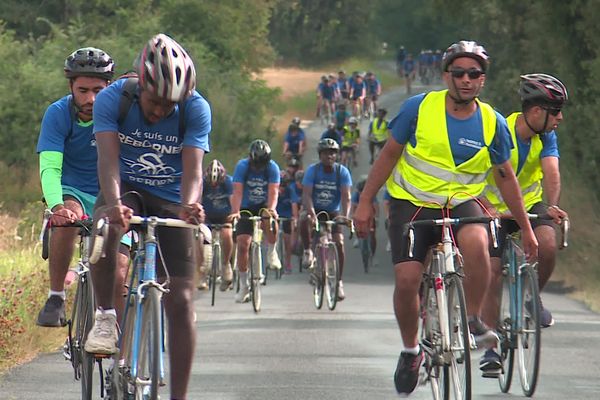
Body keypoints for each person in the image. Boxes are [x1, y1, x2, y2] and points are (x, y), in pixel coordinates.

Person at [353, 40, 538, 396]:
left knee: (478, 243)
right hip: (414, 201)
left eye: (474, 74)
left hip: (463, 201)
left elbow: (505, 177)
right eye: (459, 73)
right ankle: (410, 351)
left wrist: (527, 229)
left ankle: (472, 319)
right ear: (445, 76)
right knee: (407, 280)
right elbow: (389, 155)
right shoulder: (418, 109)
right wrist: (365, 202)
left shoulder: (492, 121)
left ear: (482, 80)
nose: (466, 80)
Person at [84, 34, 210, 400]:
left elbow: (194, 170)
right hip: (127, 189)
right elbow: (107, 160)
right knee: (107, 230)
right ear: (142, 84)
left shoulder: (196, 108)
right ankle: (106, 315)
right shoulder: (114, 99)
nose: (160, 112)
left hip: (170, 198)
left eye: (170, 106)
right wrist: (113, 204)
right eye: (155, 103)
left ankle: (179, 396)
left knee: (182, 300)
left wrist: (189, 204)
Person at [479, 73, 569, 377]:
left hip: (528, 204)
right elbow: (476, 172)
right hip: (493, 208)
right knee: (492, 271)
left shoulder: (545, 135)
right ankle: (490, 347)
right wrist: (485, 205)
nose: (560, 117)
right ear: (535, 111)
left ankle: (532, 297)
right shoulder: (499, 129)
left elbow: (551, 173)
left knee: (546, 244)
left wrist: (552, 205)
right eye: (555, 111)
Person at [35, 47, 130, 327]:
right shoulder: (57, 113)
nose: (91, 99)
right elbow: (50, 167)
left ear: (109, 87)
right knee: (67, 217)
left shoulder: (123, 114)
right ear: (71, 87)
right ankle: (56, 297)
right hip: (73, 190)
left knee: (119, 272)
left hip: (112, 195)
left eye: (99, 90)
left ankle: (118, 348)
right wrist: (56, 206)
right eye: (83, 90)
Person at [230, 139, 281, 303]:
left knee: (269, 216)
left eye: (261, 165)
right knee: (243, 243)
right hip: (245, 206)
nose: (258, 168)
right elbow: (237, 191)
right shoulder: (242, 166)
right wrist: (236, 211)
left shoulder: (272, 167)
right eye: (255, 165)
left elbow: (274, 191)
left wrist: (272, 208)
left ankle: (272, 251)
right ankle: (244, 284)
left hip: (263, 205)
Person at [300, 138, 352, 300]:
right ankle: (308, 250)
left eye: (332, 153)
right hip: (315, 209)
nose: (328, 156)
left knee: (340, 243)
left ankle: (339, 282)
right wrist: (312, 214)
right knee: (303, 218)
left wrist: (345, 216)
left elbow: (346, 196)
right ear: (320, 155)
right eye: (325, 153)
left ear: (336, 155)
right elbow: (307, 195)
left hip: (333, 212)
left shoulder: (341, 172)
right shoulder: (313, 171)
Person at [201, 159, 234, 292]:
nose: (214, 185)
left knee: (227, 234)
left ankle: (226, 265)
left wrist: (232, 218)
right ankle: (201, 271)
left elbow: (233, 202)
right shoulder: (203, 182)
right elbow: (198, 200)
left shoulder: (228, 182)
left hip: (224, 215)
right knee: (199, 238)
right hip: (208, 216)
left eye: (216, 184)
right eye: (212, 184)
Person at [276, 170, 300, 274]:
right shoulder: (273, 190)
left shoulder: (290, 190)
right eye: (280, 185)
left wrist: (294, 218)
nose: (282, 188)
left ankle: (288, 263)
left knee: (287, 241)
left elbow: (294, 205)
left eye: (283, 185)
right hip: (275, 216)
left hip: (287, 217)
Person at [351, 178, 379, 256]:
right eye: (360, 192)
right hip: (359, 212)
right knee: (356, 220)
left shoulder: (372, 195)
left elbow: (376, 207)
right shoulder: (355, 195)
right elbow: (353, 207)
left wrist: (376, 218)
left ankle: (373, 255)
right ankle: (358, 237)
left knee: (373, 234)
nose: (361, 194)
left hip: (371, 214)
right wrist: (354, 217)